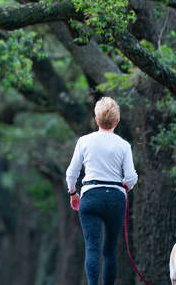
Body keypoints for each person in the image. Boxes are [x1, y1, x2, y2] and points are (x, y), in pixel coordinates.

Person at [65, 96, 138, 285]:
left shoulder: (84, 141)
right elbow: (131, 177)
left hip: (90, 197)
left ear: (96, 119)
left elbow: (72, 173)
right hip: (115, 199)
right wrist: (123, 186)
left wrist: (73, 193)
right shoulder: (124, 145)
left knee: (92, 248)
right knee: (110, 250)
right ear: (117, 121)